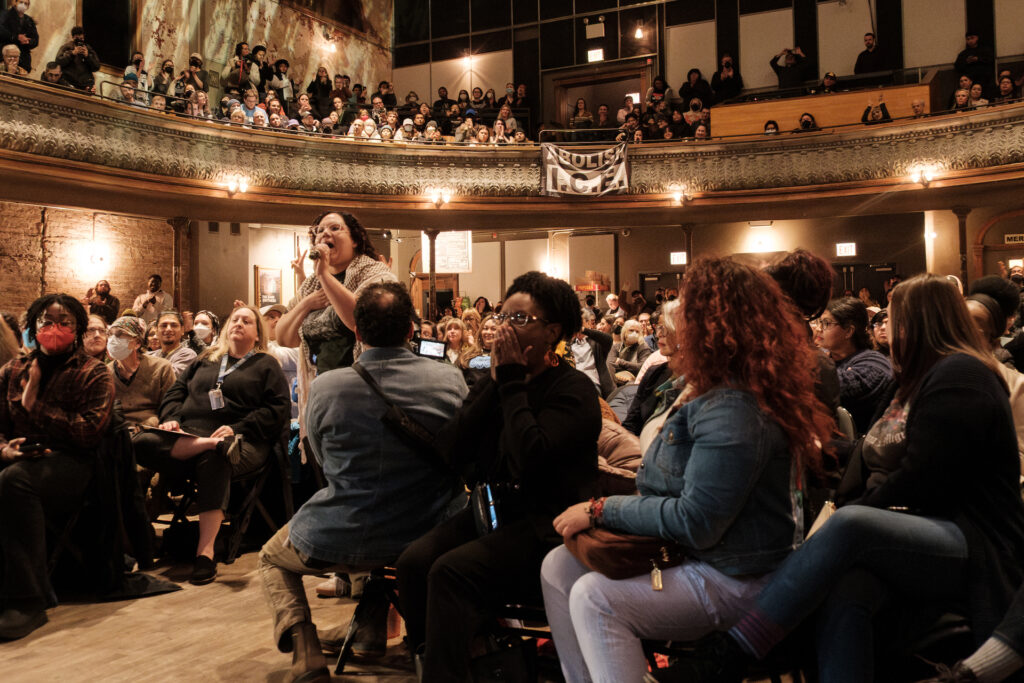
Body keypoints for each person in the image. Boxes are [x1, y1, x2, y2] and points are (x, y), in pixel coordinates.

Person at [662, 275, 1024, 683]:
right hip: (918, 527)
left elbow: (926, 479)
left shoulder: (963, 375)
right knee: (849, 589)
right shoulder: (915, 379)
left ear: (922, 322)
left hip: (972, 536)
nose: (884, 329)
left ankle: (739, 646)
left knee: (850, 524)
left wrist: (854, 509)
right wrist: (809, 446)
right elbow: (875, 451)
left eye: (895, 320)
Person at [541, 257, 834, 683]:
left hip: (739, 577)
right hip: (702, 557)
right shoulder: (709, 389)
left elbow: (696, 521)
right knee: (558, 566)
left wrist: (601, 509)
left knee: (595, 597)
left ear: (716, 327)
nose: (675, 328)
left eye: (688, 313)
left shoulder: (735, 405)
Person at [396, 271, 602, 682]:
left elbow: (532, 461)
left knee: (450, 572)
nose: (505, 329)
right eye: (503, 318)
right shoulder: (495, 381)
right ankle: (451, 658)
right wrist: (494, 385)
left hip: (548, 524)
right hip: (493, 512)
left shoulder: (573, 390)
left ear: (552, 332)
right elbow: (451, 451)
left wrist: (510, 384)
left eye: (520, 320)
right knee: (414, 563)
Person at [258, 283, 468, 682]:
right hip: (427, 531)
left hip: (348, 533)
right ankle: (369, 629)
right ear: (411, 330)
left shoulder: (325, 387)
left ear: (356, 332)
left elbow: (322, 459)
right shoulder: (450, 380)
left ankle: (306, 649)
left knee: (271, 557)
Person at [134, 305, 289, 585]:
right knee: (140, 441)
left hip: (242, 441)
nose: (238, 324)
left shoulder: (266, 364)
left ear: (257, 334)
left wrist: (237, 427)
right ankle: (206, 444)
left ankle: (205, 552)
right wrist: (171, 420)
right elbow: (175, 392)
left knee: (216, 458)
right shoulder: (206, 358)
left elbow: (276, 410)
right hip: (191, 434)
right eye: (235, 320)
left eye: (247, 321)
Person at [0, 293, 115, 639]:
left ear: (77, 329)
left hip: (74, 465)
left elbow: (87, 433)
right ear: (33, 327)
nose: (54, 329)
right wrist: (5, 449)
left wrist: (34, 403)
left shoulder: (94, 373)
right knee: (12, 472)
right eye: (46, 322)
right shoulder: (13, 369)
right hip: (19, 458)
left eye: (64, 323)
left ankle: (28, 599)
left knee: (15, 482)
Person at [273, 212, 396, 425]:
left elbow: (362, 322)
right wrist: (307, 303)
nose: (324, 234)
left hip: (363, 391)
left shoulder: (375, 274)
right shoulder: (311, 286)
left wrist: (324, 276)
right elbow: (284, 338)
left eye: (334, 228)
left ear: (355, 240)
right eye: (319, 231)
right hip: (321, 390)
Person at [814, 297, 892, 434]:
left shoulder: (875, 363)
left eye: (826, 323)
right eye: (819, 322)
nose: (819, 329)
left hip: (857, 449)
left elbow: (832, 388)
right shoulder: (827, 358)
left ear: (849, 331)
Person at [105, 315, 175, 428]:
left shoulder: (161, 368)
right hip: (118, 431)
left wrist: (168, 421)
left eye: (118, 335)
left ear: (137, 343)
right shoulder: (106, 373)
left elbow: (171, 405)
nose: (113, 340)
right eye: (110, 334)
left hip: (152, 430)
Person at [149, 311, 197, 378]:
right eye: (164, 325)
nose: (168, 329)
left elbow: (169, 377)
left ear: (182, 330)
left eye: (174, 325)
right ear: (156, 331)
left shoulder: (188, 355)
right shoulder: (150, 355)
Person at [55, 25, 99, 92]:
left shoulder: (88, 49)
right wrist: (72, 54)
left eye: (81, 39)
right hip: (68, 83)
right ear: (72, 37)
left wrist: (88, 56)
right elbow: (58, 61)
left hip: (85, 84)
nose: (79, 41)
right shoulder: (66, 47)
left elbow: (96, 66)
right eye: (77, 38)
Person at [607, 319, 651, 384]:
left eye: (637, 331)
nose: (634, 333)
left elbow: (642, 367)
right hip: (615, 378)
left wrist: (620, 362)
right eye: (631, 330)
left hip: (634, 380)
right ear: (624, 332)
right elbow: (610, 362)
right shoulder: (616, 346)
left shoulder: (643, 347)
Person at [0, 0, 37, 73]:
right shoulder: (4, 15)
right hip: (4, 58)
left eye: (25, 3)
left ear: (28, 6)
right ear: (14, 2)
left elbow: (36, 40)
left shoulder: (29, 20)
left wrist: (28, 41)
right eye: (21, 2)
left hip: (23, 61)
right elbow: (1, 31)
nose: (23, 5)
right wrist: (16, 37)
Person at [955, 31, 994, 97]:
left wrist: (978, 59)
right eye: (968, 39)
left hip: (984, 80)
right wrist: (966, 62)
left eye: (972, 38)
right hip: (969, 81)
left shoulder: (985, 50)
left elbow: (991, 60)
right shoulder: (963, 54)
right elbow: (957, 66)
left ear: (977, 38)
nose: (970, 41)